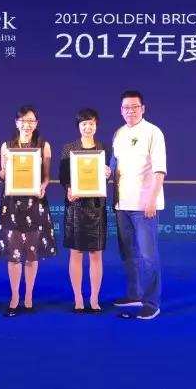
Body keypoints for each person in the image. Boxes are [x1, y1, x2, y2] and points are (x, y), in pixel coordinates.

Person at [0, 105, 57, 317]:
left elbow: (46, 177)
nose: (26, 125)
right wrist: (4, 171)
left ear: (36, 123)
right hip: (11, 203)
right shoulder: (7, 146)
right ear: (16, 123)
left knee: (31, 253)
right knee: (14, 254)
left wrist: (43, 186)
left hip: (35, 203)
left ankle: (28, 296)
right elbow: (2, 174)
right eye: (22, 121)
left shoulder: (44, 146)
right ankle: (14, 297)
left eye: (30, 121)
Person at [112, 90, 167, 320]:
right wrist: (105, 172)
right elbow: (114, 165)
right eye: (126, 107)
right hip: (122, 204)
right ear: (121, 110)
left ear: (143, 108)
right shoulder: (119, 134)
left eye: (135, 107)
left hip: (144, 205)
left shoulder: (153, 132)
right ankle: (134, 294)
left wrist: (152, 199)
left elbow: (159, 170)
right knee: (128, 253)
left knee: (148, 255)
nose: (130, 111)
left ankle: (152, 302)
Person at [59, 108, 111, 313]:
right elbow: (63, 177)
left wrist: (108, 173)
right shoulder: (69, 148)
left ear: (96, 125)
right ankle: (78, 298)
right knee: (76, 253)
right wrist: (69, 189)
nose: (88, 127)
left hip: (96, 206)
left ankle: (95, 298)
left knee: (96, 254)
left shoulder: (102, 148)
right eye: (84, 124)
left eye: (91, 123)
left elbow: (104, 177)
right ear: (78, 126)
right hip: (76, 206)